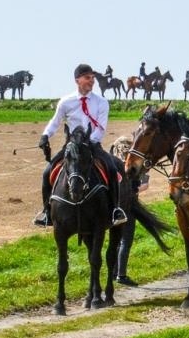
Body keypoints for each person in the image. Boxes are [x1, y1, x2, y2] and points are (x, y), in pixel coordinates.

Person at [34, 63, 125, 227]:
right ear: (77, 80)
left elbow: (101, 128)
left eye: (93, 78)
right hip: (71, 147)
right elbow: (55, 122)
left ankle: (115, 210)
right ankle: (47, 212)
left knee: (112, 169)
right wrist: (45, 135)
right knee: (47, 172)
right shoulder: (65, 102)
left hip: (93, 146)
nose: (92, 81)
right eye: (87, 78)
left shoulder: (101, 102)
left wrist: (88, 143)